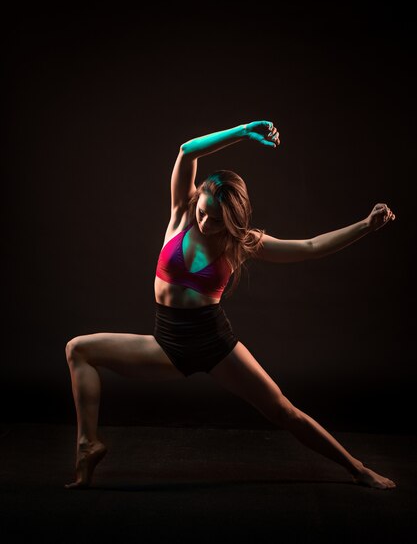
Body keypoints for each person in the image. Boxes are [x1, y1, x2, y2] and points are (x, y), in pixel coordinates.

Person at [65, 120, 396, 490]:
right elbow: (187, 150)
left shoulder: (242, 244)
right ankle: (87, 444)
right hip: (168, 343)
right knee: (78, 349)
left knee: (283, 411)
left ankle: (357, 468)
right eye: (203, 211)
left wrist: (366, 225)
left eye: (217, 219)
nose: (206, 222)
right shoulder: (180, 215)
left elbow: (311, 247)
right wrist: (242, 132)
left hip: (214, 343)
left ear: (233, 220)